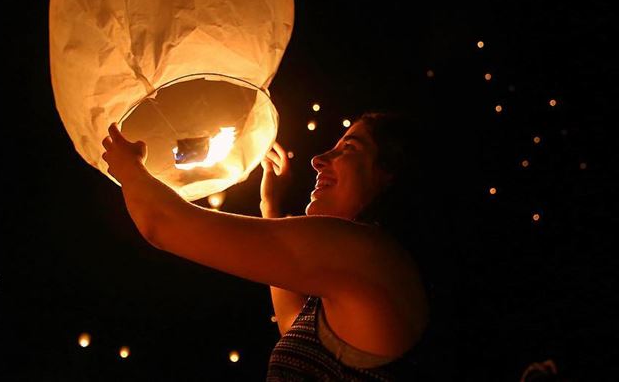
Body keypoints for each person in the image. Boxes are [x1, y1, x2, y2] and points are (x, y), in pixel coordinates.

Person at [101, 110, 433, 381]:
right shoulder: (369, 270)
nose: (318, 159)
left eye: (349, 148)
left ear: (390, 175)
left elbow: (162, 225)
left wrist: (128, 167)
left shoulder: (367, 253)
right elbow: (295, 326)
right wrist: (270, 207)